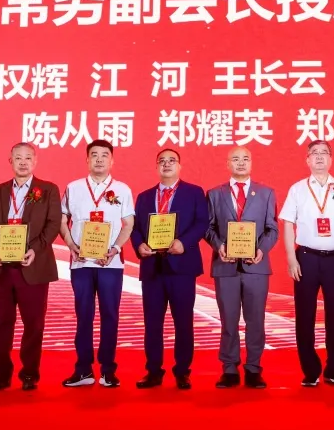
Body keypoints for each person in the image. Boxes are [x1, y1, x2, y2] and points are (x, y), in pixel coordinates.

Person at [0, 143, 62, 391]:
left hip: (33, 267)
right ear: (10, 161)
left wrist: (35, 249)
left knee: (34, 325)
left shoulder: (48, 190)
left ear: (35, 161)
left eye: (27, 158)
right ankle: (1, 374)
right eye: (18, 158)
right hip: (1, 269)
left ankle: (29, 374)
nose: (23, 162)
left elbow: (53, 224)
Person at [278, 140, 334, 387]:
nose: (320, 157)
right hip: (306, 258)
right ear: (307, 160)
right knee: (305, 315)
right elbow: (288, 224)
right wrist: (291, 258)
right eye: (315, 153)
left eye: (325, 153)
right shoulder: (297, 189)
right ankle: (310, 370)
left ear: (331, 159)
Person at [60, 139, 135, 389]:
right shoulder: (73, 187)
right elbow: (62, 220)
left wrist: (115, 249)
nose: (99, 159)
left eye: (104, 155)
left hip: (109, 264)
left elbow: (129, 224)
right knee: (83, 316)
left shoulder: (122, 189)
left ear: (112, 160)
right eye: (94, 155)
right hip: (81, 262)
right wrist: (71, 245)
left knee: (110, 316)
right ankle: (83, 370)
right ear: (87, 159)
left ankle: (108, 370)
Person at [130, 148, 208, 390]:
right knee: (152, 323)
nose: (166, 164)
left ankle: (182, 371)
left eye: (171, 160)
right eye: (161, 161)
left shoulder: (194, 192)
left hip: (182, 267)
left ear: (179, 165)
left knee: (183, 322)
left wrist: (184, 242)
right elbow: (135, 227)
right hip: (152, 267)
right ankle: (153, 371)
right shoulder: (144, 196)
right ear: (156, 166)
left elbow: (202, 223)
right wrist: (139, 245)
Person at [205, 146, 280, 389]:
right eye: (235, 159)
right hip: (225, 265)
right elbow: (208, 227)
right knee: (228, 321)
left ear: (251, 163)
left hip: (256, 266)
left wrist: (261, 250)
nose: (241, 163)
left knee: (255, 321)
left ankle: (254, 368)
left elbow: (272, 229)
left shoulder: (266, 193)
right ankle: (229, 368)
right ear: (228, 164)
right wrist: (219, 246)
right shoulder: (214, 194)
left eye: (245, 158)